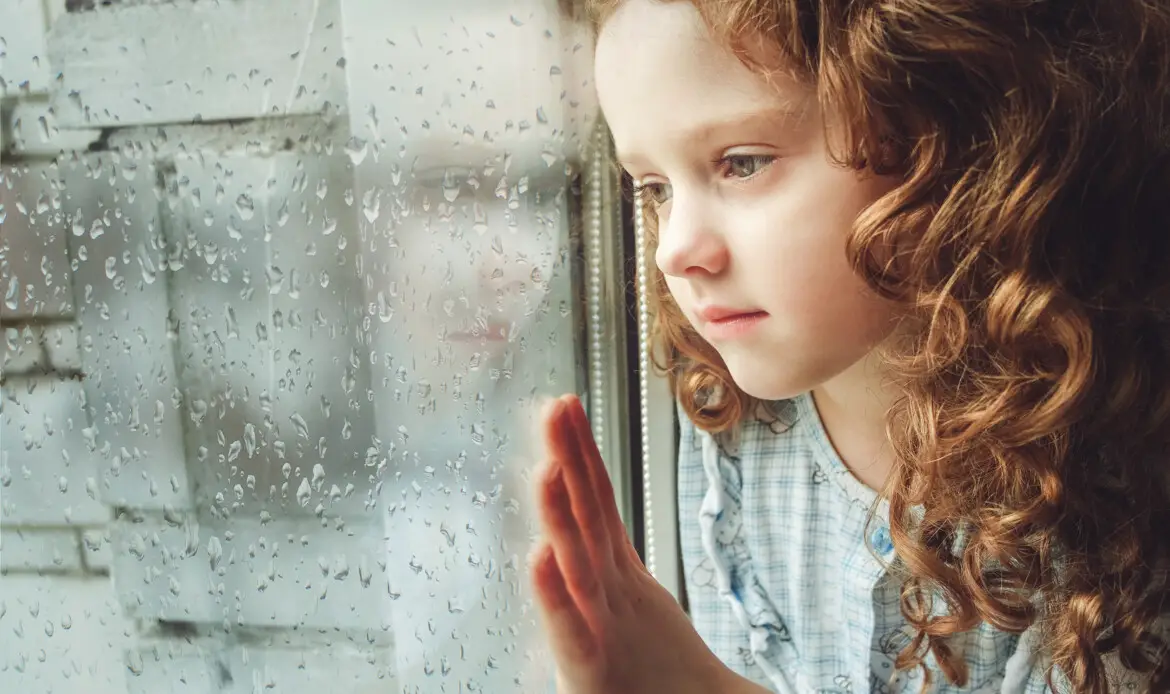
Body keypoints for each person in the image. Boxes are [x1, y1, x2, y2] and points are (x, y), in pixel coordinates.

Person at [529, 0, 1170, 692]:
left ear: (948, 136)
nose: (676, 250)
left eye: (742, 163)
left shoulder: (1098, 455)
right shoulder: (729, 418)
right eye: (654, 188)